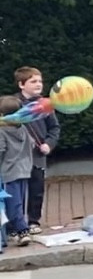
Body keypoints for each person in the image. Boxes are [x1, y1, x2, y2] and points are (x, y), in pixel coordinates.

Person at [15, 67, 59, 234]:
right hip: (17, 156)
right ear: (21, 84)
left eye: (40, 81)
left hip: (38, 155)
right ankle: (16, 225)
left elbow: (54, 128)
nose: (38, 84)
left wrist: (49, 143)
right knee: (17, 191)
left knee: (36, 189)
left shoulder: (45, 104)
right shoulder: (13, 103)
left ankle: (34, 221)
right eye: (33, 81)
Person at [0, 95, 35, 248]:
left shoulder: (2, 131)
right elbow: (32, 144)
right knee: (19, 200)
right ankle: (13, 230)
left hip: (8, 172)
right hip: (24, 169)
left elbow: (1, 150)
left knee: (12, 203)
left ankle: (22, 231)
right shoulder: (23, 128)